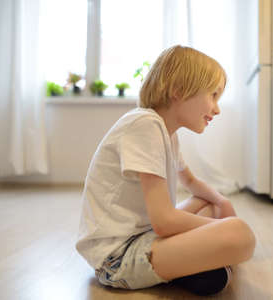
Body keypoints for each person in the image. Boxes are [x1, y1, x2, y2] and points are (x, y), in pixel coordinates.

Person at [76, 45, 256, 296]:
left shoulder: (166, 134)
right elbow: (164, 221)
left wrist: (221, 201)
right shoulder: (145, 125)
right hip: (117, 256)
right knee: (240, 233)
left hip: (141, 235)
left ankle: (201, 263)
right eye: (213, 96)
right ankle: (203, 263)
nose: (217, 109)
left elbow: (191, 182)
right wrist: (221, 225)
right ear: (178, 92)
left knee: (208, 204)